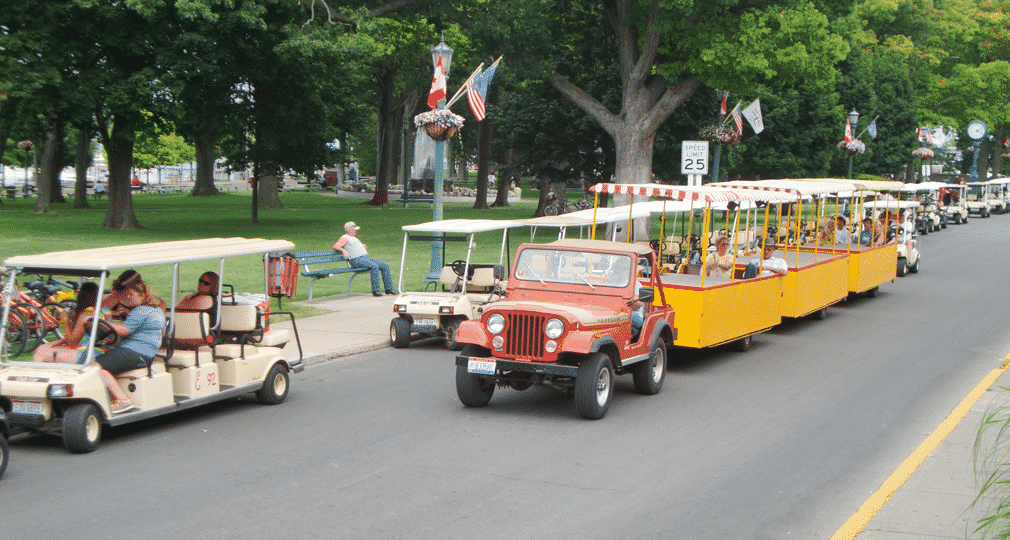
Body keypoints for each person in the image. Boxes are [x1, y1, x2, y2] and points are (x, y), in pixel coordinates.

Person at [47, 274, 166, 413]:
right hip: (143, 352)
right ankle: (110, 398)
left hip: (133, 351)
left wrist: (102, 322)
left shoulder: (141, 310)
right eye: (126, 295)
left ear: (142, 294)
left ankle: (122, 400)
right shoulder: (155, 309)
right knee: (98, 364)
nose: (128, 298)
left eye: (131, 295)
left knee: (92, 366)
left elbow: (124, 330)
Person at [34, 282, 108, 363]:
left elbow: (71, 342)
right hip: (101, 348)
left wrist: (66, 320)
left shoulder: (87, 314)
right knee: (43, 348)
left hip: (88, 351)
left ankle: (34, 374)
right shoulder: (105, 310)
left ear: (81, 297)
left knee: (41, 353)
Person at [333, 221, 396, 297]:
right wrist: (343, 250)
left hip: (364, 258)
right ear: (349, 230)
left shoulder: (353, 238)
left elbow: (353, 246)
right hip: (356, 260)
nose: (355, 231)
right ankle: (375, 291)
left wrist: (361, 245)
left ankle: (389, 289)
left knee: (385, 266)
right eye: (354, 230)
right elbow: (335, 246)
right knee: (374, 266)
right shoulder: (344, 238)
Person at [174, 271, 220, 347]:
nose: (200, 284)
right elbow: (177, 308)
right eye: (200, 281)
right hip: (188, 332)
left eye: (206, 283)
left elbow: (184, 308)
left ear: (213, 286)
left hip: (206, 336)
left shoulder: (208, 299)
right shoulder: (195, 296)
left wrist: (187, 298)